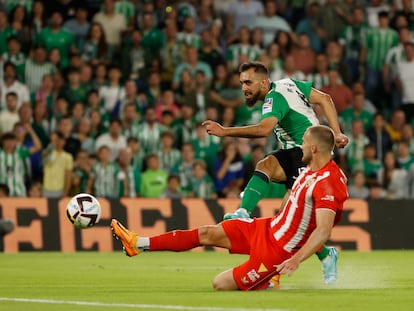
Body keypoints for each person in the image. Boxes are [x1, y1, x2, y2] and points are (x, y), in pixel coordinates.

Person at [111, 125, 348, 291]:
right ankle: (138, 244)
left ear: (315, 149)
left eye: (304, 144)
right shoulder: (310, 169)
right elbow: (295, 200)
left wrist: (295, 259)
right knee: (207, 233)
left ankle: (266, 279)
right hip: (265, 229)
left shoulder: (328, 183)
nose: (301, 148)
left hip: (275, 252)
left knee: (220, 284)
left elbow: (323, 231)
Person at [203, 61, 348, 284]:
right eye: (242, 83)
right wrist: (336, 133)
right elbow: (325, 99)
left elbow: (263, 130)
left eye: (248, 82)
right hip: (294, 153)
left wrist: (224, 132)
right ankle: (243, 212)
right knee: (265, 166)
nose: (244, 88)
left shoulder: (273, 97)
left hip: (308, 154)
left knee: (289, 223)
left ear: (263, 82)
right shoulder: (290, 84)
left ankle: (322, 256)